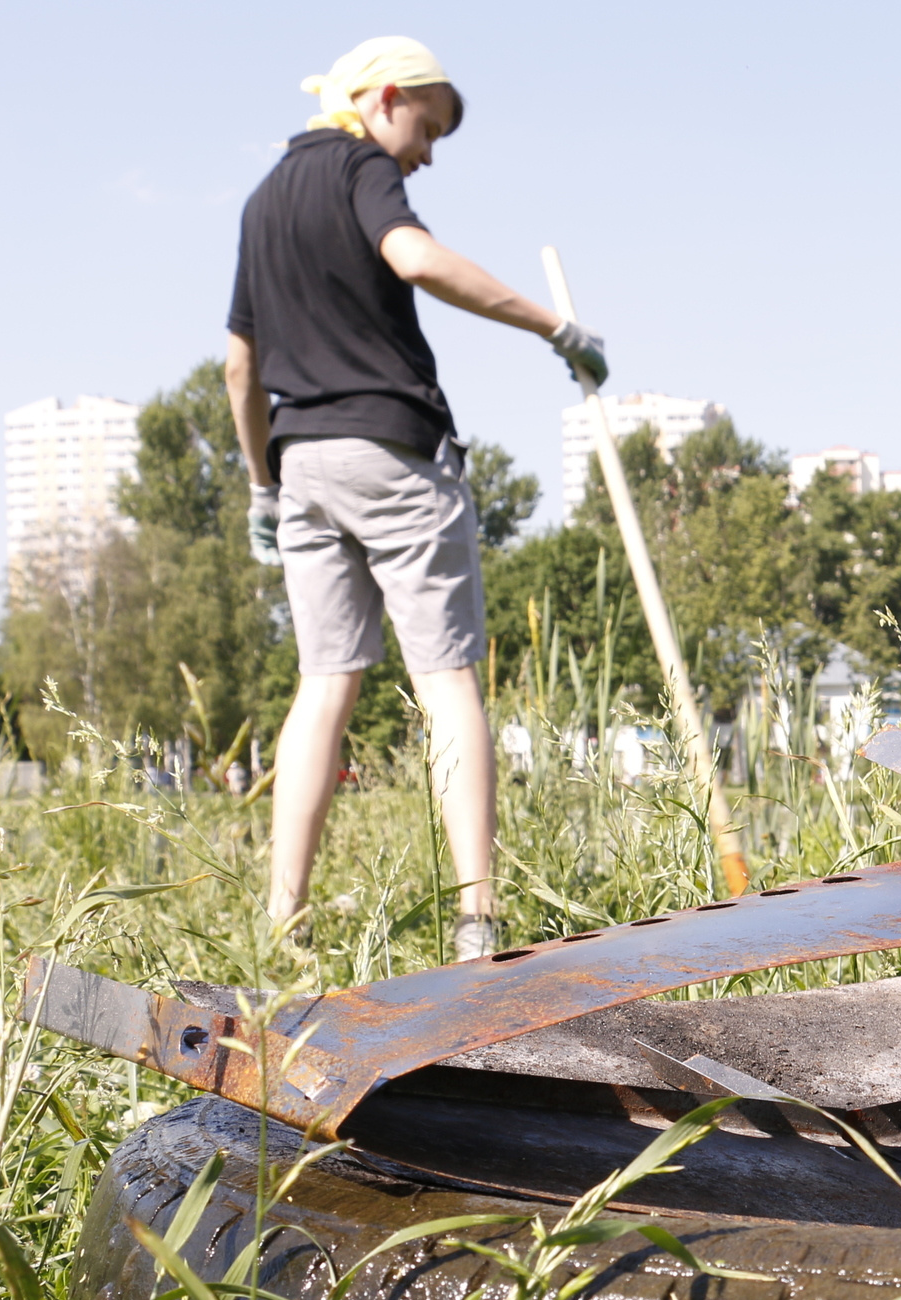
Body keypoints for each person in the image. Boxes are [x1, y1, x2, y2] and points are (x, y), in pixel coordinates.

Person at [224, 37, 607, 961]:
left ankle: (285, 922)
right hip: (393, 452)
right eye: (426, 128)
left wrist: (261, 486)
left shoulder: (264, 196)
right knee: (446, 683)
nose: (426, 153)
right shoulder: (362, 165)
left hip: (302, 463)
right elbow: (415, 258)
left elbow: (239, 362)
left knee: (324, 686)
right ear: (385, 96)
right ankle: (480, 918)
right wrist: (553, 325)